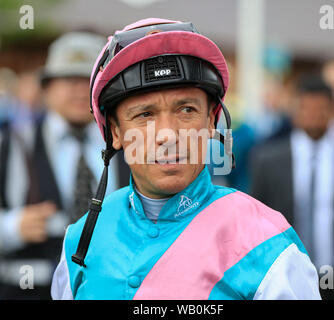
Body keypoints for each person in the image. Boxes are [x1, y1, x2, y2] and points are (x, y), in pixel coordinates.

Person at [51, 18, 320, 300]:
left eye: (186, 110)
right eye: (145, 114)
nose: (167, 134)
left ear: (210, 123)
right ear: (115, 133)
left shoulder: (267, 242)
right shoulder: (80, 239)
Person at [0, 32, 130, 299]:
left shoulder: (127, 146)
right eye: (70, 80)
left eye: (90, 80)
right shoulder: (10, 144)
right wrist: (12, 227)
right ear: (47, 88)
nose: (81, 90)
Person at [251, 74, 334, 300]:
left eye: (321, 108)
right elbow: (255, 219)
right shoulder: (267, 160)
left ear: (333, 111)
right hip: (283, 272)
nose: (313, 115)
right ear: (295, 110)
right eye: (306, 107)